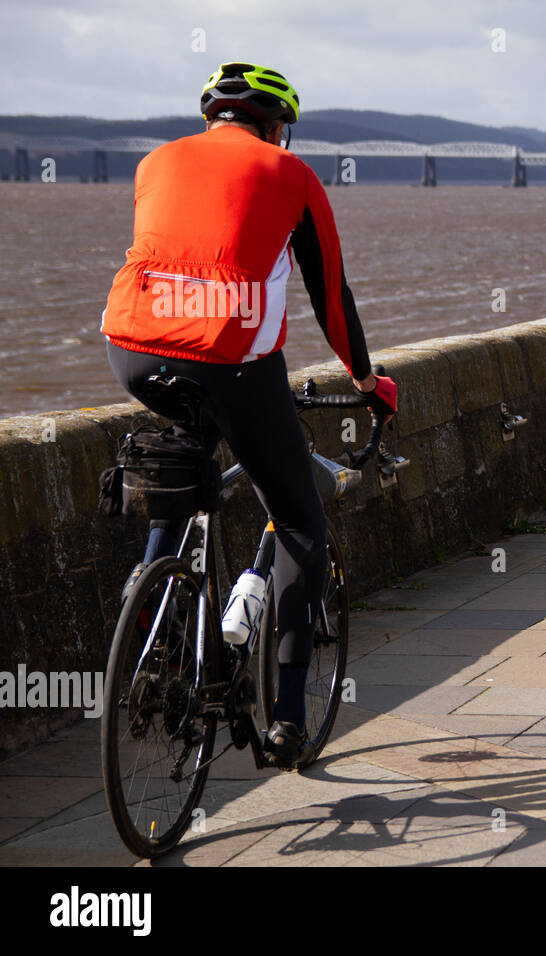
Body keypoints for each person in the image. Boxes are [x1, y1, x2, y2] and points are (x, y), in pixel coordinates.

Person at [100, 62, 397, 768]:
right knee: (297, 519)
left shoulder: (155, 162)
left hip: (132, 347)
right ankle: (289, 716)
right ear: (274, 125)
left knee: (186, 464)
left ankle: (155, 632)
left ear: (213, 119)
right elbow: (330, 296)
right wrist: (367, 378)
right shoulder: (289, 174)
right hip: (230, 354)